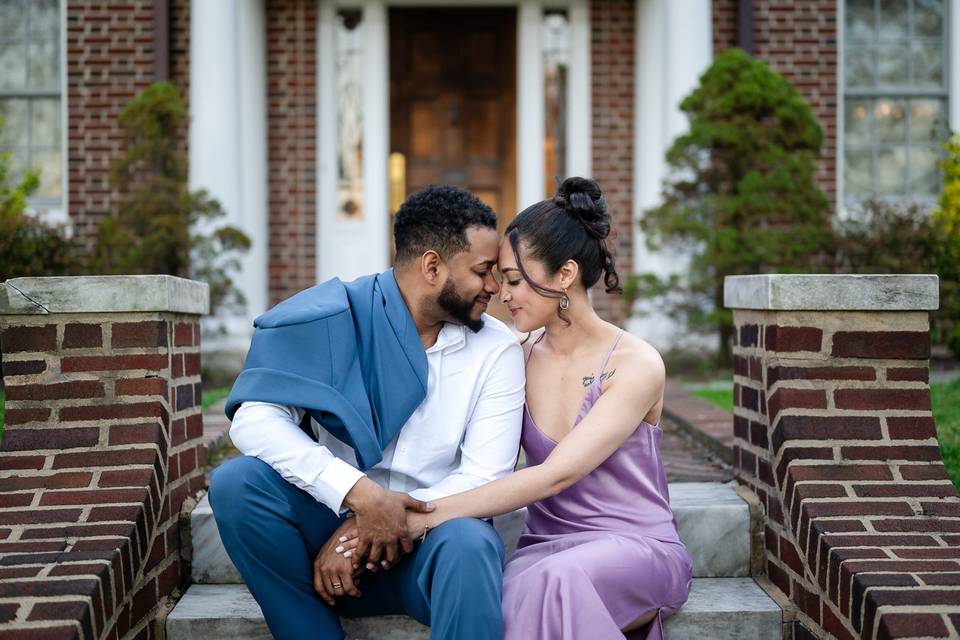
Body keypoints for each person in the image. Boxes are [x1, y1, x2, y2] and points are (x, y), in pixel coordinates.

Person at [339, 177, 693, 639]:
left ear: (565, 275)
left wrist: (419, 515)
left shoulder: (635, 364)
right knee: (502, 593)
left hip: (636, 547)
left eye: (512, 280)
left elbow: (557, 474)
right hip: (543, 548)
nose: (500, 294)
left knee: (561, 580)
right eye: (497, 279)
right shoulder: (515, 356)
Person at [208, 185, 526, 640]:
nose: (494, 287)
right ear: (432, 267)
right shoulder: (335, 319)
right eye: (483, 271)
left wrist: (363, 530)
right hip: (324, 547)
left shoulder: (496, 349)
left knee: (472, 543)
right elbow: (255, 419)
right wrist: (356, 492)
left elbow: (485, 475)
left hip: (430, 551)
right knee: (236, 485)